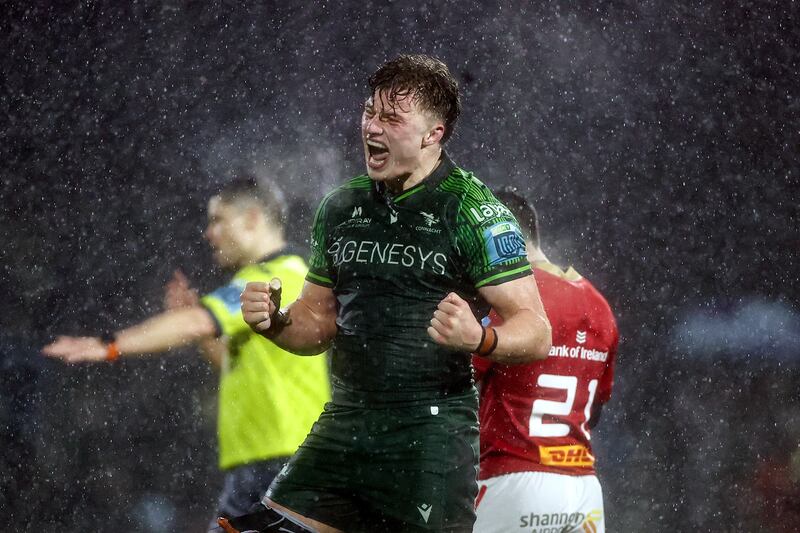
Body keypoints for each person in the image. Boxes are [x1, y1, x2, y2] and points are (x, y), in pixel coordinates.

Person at [237, 54, 552, 533]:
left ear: (433, 133)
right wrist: (277, 321)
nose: (371, 128)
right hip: (344, 424)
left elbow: (537, 331)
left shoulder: (475, 213)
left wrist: (481, 340)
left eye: (391, 118)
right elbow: (318, 323)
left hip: (428, 436)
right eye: (369, 112)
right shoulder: (341, 207)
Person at [42, 177, 331, 527]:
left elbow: (196, 322)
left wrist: (109, 345)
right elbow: (231, 361)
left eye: (218, 220)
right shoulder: (281, 277)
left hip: (280, 460)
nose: (209, 233)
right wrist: (202, 328)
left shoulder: (273, 278)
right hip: (277, 459)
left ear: (253, 218)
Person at [472, 187, 619, 533]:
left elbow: (459, 379)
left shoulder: (515, 299)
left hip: (513, 481)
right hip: (582, 492)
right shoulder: (600, 306)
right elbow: (594, 410)